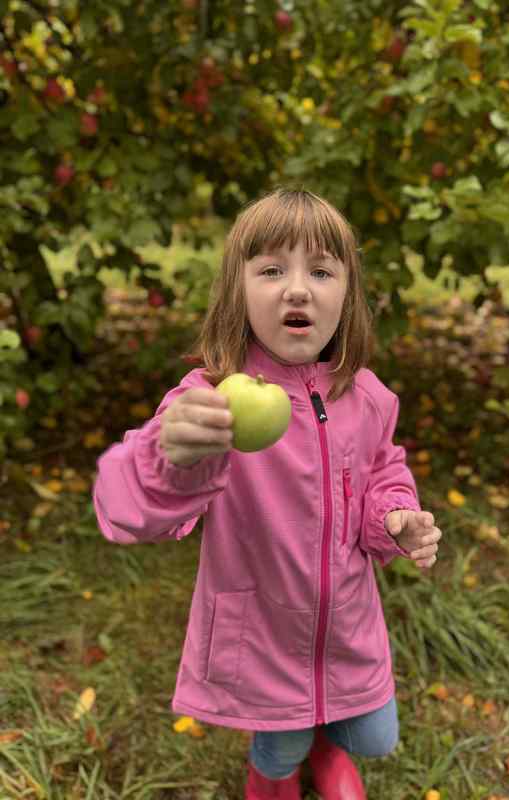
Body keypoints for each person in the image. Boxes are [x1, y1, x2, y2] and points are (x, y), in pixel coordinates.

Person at [93, 188, 442, 800]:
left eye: (321, 270)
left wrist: (396, 517)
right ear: (239, 291)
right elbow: (126, 509)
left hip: (347, 622)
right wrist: (168, 451)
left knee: (375, 736)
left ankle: (330, 750)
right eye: (273, 270)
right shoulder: (211, 400)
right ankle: (271, 776)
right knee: (280, 744)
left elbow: (384, 470)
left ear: (346, 297)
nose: (298, 289)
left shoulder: (366, 396)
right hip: (260, 627)